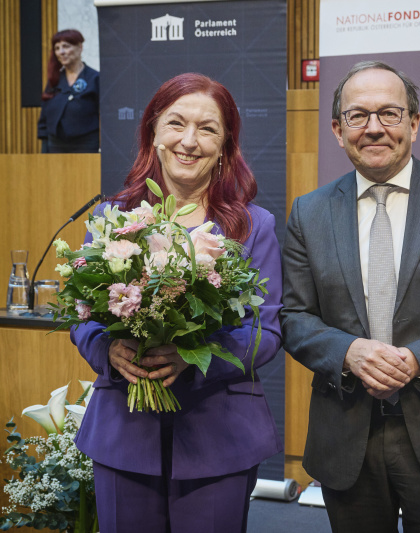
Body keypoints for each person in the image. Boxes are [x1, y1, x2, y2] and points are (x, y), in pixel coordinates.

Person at [281, 60, 420, 532]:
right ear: (337, 130)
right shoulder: (309, 212)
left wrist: (417, 359)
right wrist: (349, 351)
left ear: (414, 123)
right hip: (348, 435)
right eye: (358, 116)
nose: (374, 128)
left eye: (389, 113)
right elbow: (294, 317)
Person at [70, 73, 283, 533]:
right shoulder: (113, 219)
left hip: (218, 433)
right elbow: (82, 315)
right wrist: (107, 351)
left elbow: (266, 330)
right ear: (153, 132)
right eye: (175, 123)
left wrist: (193, 358)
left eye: (207, 128)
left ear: (226, 144)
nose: (189, 141)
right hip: (123, 431)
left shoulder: (253, 227)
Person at [37, 29, 100, 153]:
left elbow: (105, 116)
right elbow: (44, 118)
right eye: (57, 48)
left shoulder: (95, 78)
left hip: (86, 144)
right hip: (55, 145)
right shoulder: (53, 81)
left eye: (66, 46)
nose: (61, 52)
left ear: (80, 47)